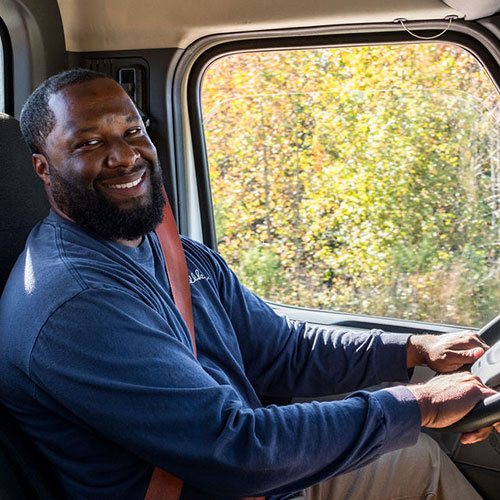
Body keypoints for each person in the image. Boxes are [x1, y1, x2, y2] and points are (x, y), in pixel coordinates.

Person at [0, 68, 497, 500]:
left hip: (252, 482)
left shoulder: (170, 249)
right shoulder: (76, 302)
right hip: (215, 486)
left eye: (133, 131)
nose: (125, 156)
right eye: (90, 142)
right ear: (43, 166)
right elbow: (235, 447)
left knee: (419, 461)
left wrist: (414, 349)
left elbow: (284, 352)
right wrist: (419, 404)